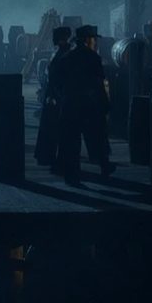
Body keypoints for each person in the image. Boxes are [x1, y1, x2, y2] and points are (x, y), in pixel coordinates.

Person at [56, 25, 116, 186]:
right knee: (97, 137)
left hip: (70, 104)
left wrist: (63, 98)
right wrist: (105, 103)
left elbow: (58, 82)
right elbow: (98, 83)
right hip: (89, 104)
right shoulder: (93, 58)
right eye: (93, 39)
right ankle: (104, 167)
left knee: (71, 141)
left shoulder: (67, 58)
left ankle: (72, 175)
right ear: (88, 40)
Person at [34, 26, 72, 168]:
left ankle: (47, 156)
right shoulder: (61, 53)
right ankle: (48, 157)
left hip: (55, 95)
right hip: (55, 95)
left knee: (52, 128)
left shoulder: (61, 54)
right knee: (52, 128)